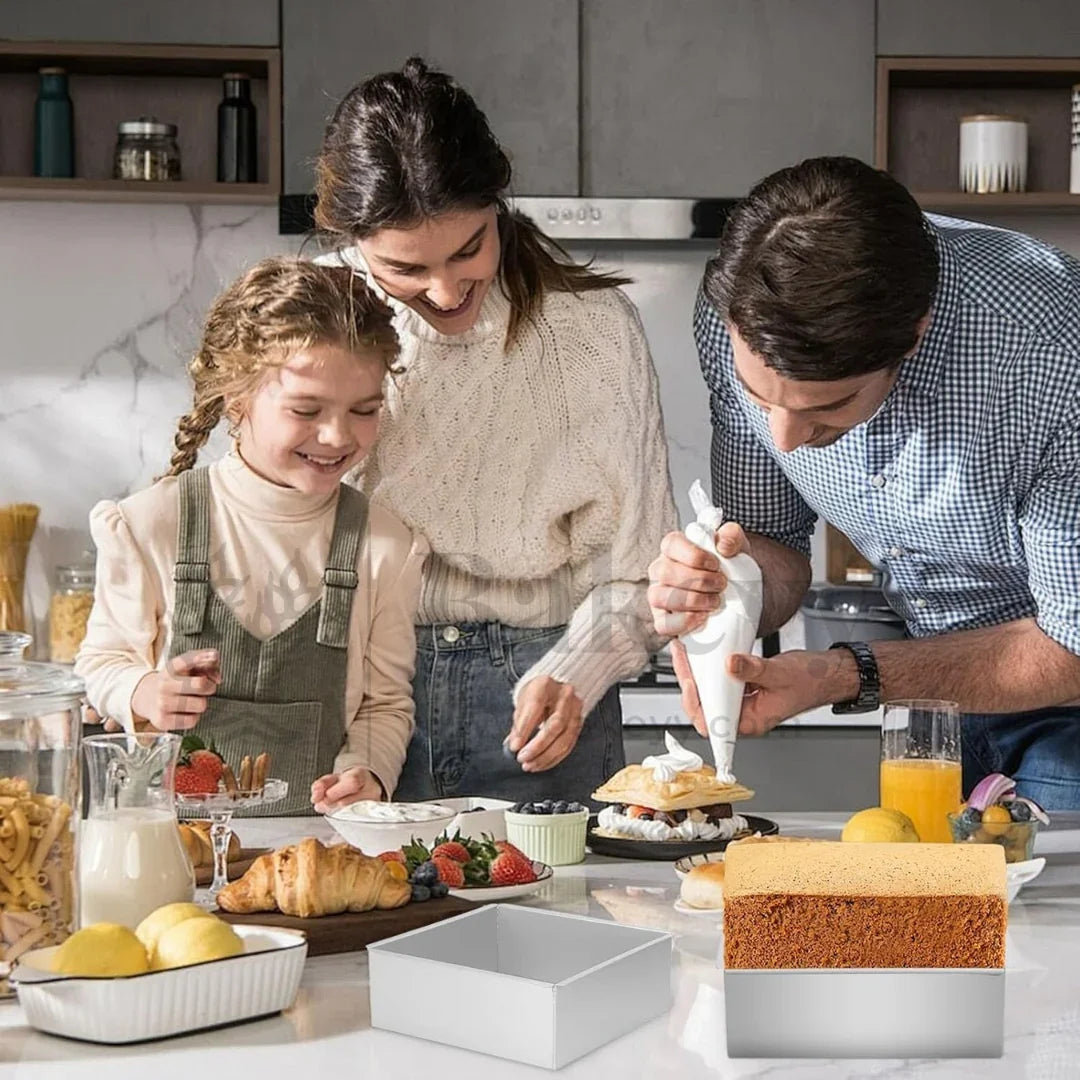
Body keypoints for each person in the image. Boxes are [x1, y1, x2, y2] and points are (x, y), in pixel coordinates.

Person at [647, 156, 1080, 810]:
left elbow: (1072, 644)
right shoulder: (736, 316)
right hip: (938, 703)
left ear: (913, 337)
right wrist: (720, 590)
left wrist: (845, 674)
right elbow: (770, 545)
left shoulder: (1050, 349)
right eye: (761, 401)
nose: (785, 439)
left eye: (827, 407)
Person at [314, 58, 677, 803]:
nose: (445, 292)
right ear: (351, 239)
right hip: (360, 698)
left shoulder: (594, 334)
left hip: (546, 699)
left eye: (469, 248)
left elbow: (636, 571)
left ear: (499, 203)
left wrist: (573, 673)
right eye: (405, 267)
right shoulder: (314, 324)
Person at [75, 257, 428, 815]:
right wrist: (144, 692)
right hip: (167, 847)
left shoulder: (384, 545)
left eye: (364, 409)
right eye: (306, 409)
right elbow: (103, 661)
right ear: (237, 399)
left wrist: (369, 772)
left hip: (316, 854)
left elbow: (383, 705)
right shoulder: (150, 524)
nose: (337, 435)